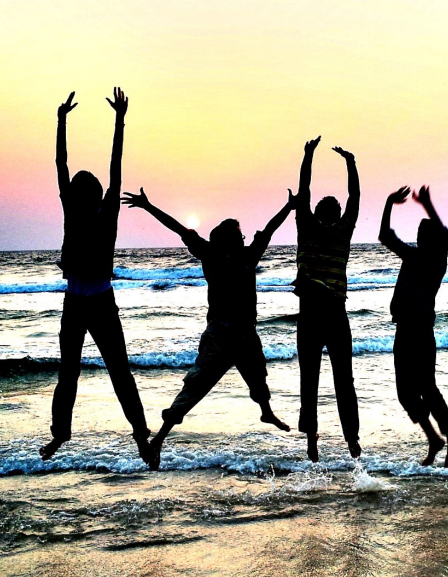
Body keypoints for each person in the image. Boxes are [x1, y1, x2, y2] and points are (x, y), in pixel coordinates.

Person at [122, 186, 295, 469]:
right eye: (239, 235)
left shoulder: (221, 254)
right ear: (231, 238)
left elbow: (180, 228)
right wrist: (289, 207)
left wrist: (148, 205)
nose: (243, 238)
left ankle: (266, 412)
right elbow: (268, 230)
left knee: (252, 377)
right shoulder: (234, 254)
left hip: (236, 333)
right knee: (199, 386)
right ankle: (159, 440)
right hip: (224, 335)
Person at [40, 89, 154, 466]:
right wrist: (68, 121)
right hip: (82, 303)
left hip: (93, 302)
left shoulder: (101, 214)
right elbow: (70, 165)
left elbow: (98, 167)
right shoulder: (82, 212)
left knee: (104, 373)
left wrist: (114, 121)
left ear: (87, 196)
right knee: (80, 373)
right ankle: (67, 434)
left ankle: (138, 436)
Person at [379, 184, 448, 467]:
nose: (418, 239)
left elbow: (387, 235)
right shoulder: (422, 258)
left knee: (427, 388)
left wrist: (392, 203)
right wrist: (422, 203)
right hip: (405, 330)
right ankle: (434, 439)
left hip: (421, 332)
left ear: (428, 239)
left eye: (422, 236)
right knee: (407, 393)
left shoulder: (430, 261)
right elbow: (385, 236)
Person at [293, 136, 361, 463]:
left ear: (317, 213)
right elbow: (355, 197)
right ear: (337, 213)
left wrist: (308, 155)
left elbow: (303, 191)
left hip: (310, 315)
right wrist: (350, 162)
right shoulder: (343, 231)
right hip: (335, 314)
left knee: (310, 380)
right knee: (343, 380)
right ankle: (352, 441)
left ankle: (312, 442)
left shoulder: (306, 227)